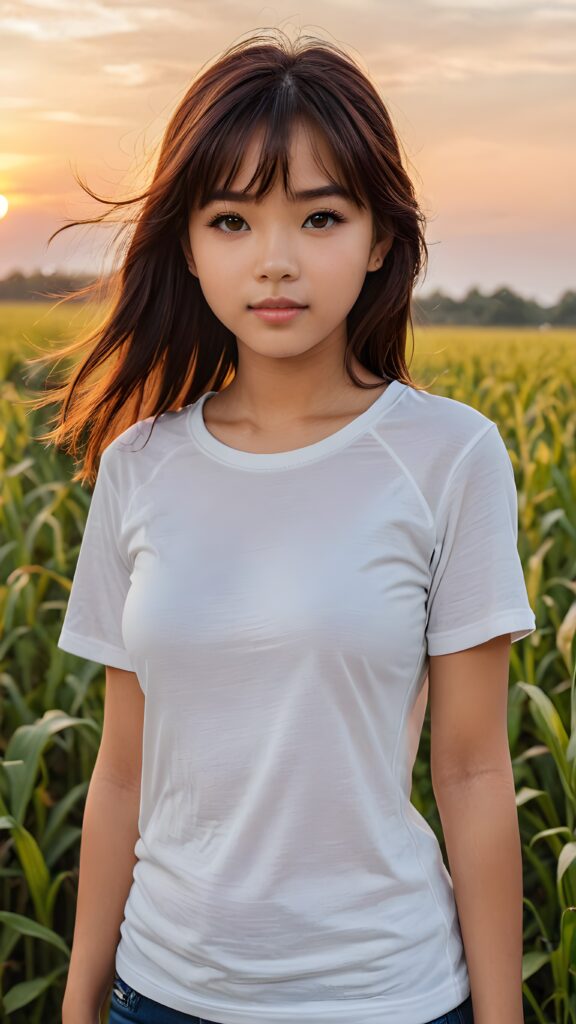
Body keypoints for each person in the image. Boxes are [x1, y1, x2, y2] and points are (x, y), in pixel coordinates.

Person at [43, 27, 536, 1024]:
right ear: (186, 241)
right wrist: (79, 1000)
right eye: (231, 220)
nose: (274, 262)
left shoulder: (449, 454)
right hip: (163, 993)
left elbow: (475, 769)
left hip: (386, 994)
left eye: (319, 218)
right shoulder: (139, 465)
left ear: (381, 237)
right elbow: (122, 766)